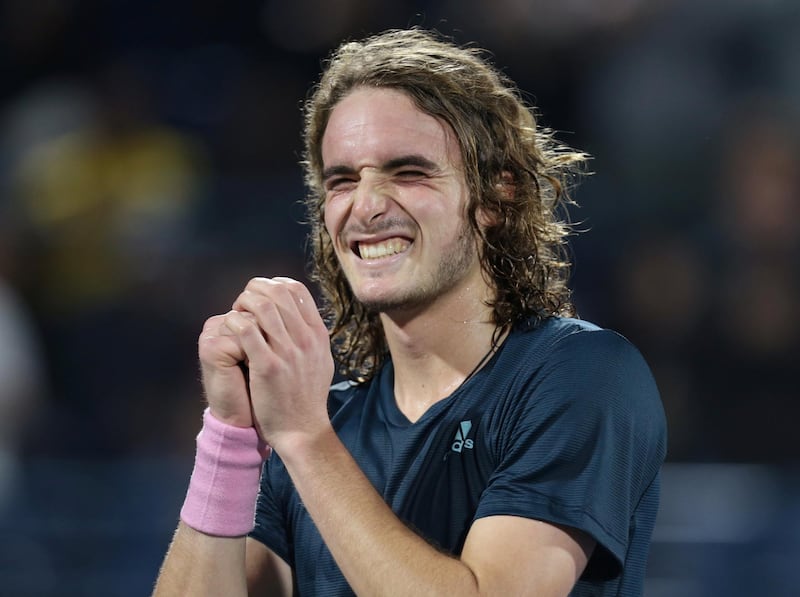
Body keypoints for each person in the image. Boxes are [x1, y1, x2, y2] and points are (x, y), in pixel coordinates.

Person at [153, 28, 666, 597]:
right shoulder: (320, 423)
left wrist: (301, 436)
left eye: (409, 172)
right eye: (342, 180)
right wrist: (229, 435)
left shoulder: (582, 375)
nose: (366, 206)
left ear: (498, 197)